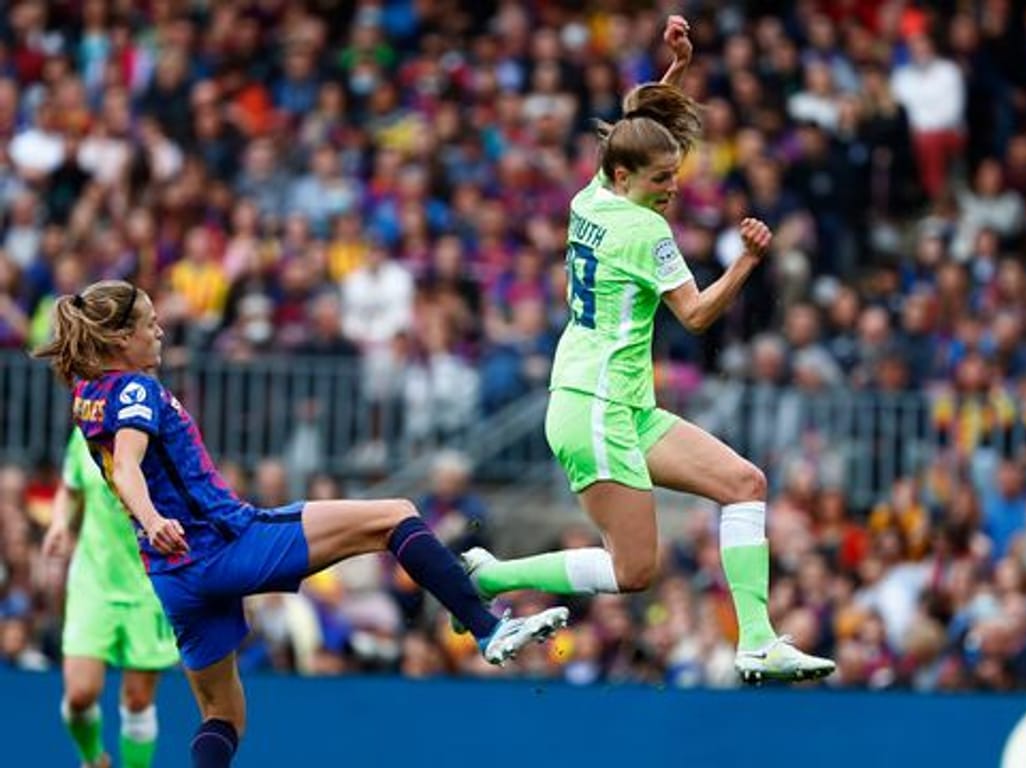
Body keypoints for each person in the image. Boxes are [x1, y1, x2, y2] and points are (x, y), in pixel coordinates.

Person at [34, 280, 568, 767]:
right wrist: (153, 518)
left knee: (223, 719)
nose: (160, 329)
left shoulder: (87, 395)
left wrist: (153, 527)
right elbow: (127, 466)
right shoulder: (135, 391)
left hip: (173, 577)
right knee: (395, 515)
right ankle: (489, 628)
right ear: (120, 339)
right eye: (148, 322)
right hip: (224, 543)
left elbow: (122, 464)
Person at [458, 16, 835, 683]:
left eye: (676, 173)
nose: (674, 186)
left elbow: (636, 121)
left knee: (745, 484)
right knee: (635, 571)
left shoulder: (590, 198)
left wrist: (677, 72)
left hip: (618, 404)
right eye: (663, 175)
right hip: (598, 407)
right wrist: (747, 263)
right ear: (626, 175)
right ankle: (492, 576)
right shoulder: (645, 232)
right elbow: (693, 314)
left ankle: (757, 639)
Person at [43, 427, 180, 768]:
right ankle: (93, 760)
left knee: (137, 700)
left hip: (150, 583)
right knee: (79, 695)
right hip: (94, 580)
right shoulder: (85, 433)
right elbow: (71, 488)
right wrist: (60, 522)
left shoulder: (161, 432)